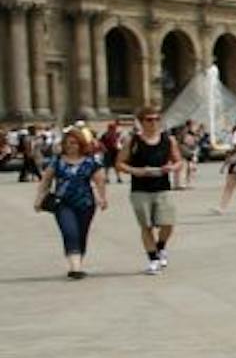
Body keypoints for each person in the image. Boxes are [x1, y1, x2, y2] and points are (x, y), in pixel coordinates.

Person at [115, 107, 183, 274]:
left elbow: (179, 161)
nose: (153, 123)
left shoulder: (169, 140)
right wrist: (136, 171)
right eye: (149, 120)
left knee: (168, 223)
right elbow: (120, 163)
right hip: (140, 189)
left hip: (162, 186)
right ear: (141, 122)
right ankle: (153, 259)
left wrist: (171, 167)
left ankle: (160, 246)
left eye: (156, 119)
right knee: (146, 226)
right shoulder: (133, 141)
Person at [40, 126, 108, 278]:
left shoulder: (91, 162)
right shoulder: (57, 161)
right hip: (63, 203)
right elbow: (46, 180)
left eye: (75, 143)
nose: (71, 146)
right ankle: (75, 268)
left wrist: (102, 198)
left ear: (81, 144)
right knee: (70, 232)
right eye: (68, 143)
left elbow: (100, 181)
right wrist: (39, 199)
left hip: (86, 203)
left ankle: (77, 262)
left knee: (81, 234)